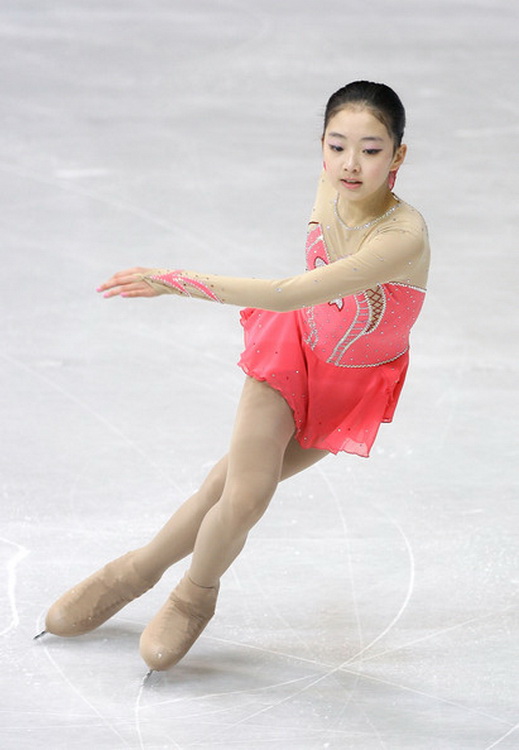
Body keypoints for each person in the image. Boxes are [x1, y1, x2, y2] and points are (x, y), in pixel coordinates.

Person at [38, 81, 430, 673]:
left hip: (352, 384)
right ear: (321, 146)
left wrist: (176, 280)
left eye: (371, 150)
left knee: (226, 487)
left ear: (398, 156)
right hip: (293, 350)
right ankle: (183, 591)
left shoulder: (403, 237)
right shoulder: (331, 184)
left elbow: (287, 290)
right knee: (245, 495)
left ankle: (143, 568)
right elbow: (293, 308)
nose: (351, 164)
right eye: (337, 145)